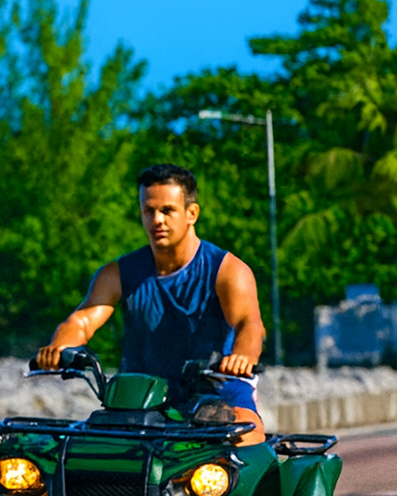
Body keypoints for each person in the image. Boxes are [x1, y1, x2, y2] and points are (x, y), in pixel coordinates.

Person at [35, 163, 267, 445]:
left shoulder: (227, 270)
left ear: (191, 213)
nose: (157, 220)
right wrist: (59, 347)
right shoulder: (118, 272)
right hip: (141, 398)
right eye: (149, 210)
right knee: (78, 453)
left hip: (216, 395)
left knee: (247, 434)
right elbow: (82, 320)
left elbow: (249, 323)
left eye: (167, 210)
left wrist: (243, 357)